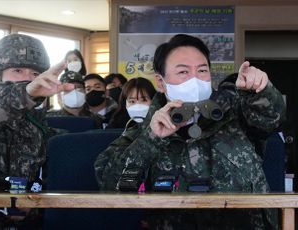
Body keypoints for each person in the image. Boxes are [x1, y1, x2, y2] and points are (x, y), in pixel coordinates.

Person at [94, 34, 286, 229]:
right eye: (183, 72)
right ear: (161, 82)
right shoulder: (141, 133)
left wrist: (260, 89)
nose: (195, 79)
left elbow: (272, 116)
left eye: (202, 70)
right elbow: (111, 185)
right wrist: (151, 139)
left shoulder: (237, 115)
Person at [0, 33, 74, 229]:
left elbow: (53, 181)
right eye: (18, 70)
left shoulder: (41, 127)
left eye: (35, 74)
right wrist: (27, 92)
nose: (28, 79)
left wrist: (36, 204)